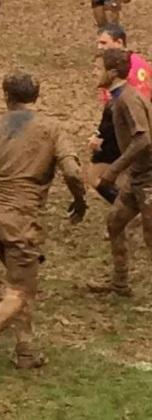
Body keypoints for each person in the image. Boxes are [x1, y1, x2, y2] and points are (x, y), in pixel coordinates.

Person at [0, 72, 87, 382]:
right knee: (21, 289)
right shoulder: (51, 130)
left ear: (5, 96)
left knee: (20, 282)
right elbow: (74, 172)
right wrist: (80, 202)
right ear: (36, 96)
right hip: (20, 219)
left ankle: (25, 351)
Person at [88, 49, 152, 297]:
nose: (94, 73)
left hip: (148, 179)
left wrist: (113, 170)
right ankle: (119, 284)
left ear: (112, 73)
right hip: (137, 178)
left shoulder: (127, 100)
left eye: (97, 68)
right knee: (115, 222)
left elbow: (143, 139)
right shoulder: (118, 99)